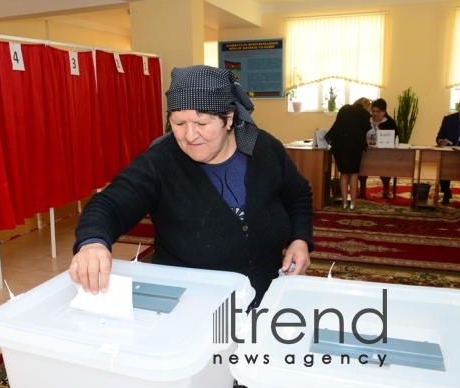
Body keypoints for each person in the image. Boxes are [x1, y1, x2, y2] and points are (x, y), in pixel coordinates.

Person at [70, 65, 314, 309]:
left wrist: (300, 239)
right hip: (190, 308)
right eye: (178, 123)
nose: (189, 136)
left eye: (201, 123)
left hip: (267, 296)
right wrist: (92, 242)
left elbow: (298, 195)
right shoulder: (161, 162)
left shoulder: (265, 148)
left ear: (228, 118)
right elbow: (109, 203)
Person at [326, 97, 372, 210]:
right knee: (354, 174)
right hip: (354, 145)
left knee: (344, 173)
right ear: (366, 106)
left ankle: (344, 203)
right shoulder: (364, 113)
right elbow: (366, 130)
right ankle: (353, 204)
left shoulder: (344, 108)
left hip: (339, 144)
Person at [436, 94, 460, 205]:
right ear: (459, 107)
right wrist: (441, 141)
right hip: (452, 152)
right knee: (444, 167)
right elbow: (439, 137)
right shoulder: (449, 120)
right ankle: (446, 192)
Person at [359, 98, 398, 198]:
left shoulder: (390, 122)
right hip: (366, 152)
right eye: (373, 111)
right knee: (362, 165)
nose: (375, 114)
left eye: (378, 111)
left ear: (384, 112)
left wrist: (378, 141)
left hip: (384, 153)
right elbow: (359, 135)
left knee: (385, 166)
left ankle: (385, 187)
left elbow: (394, 138)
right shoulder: (365, 121)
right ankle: (363, 185)